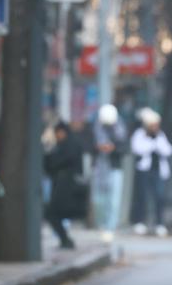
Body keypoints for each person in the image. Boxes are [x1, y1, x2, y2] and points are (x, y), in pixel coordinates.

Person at [131, 108, 172, 237]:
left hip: (158, 172)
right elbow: (137, 149)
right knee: (142, 197)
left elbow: (168, 150)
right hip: (144, 171)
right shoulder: (139, 134)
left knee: (159, 197)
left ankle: (159, 224)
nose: (154, 128)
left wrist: (156, 143)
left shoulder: (160, 136)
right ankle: (140, 222)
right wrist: (151, 144)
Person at [44, 121, 86, 249]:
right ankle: (65, 240)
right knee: (53, 214)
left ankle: (65, 240)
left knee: (52, 214)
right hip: (61, 186)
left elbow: (56, 162)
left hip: (68, 188)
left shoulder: (70, 145)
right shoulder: (61, 145)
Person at [92, 104, 127, 241]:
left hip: (114, 168)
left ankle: (110, 227)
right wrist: (98, 147)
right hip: (99, 168)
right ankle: (101, 224)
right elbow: (88, 145)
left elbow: (125, 147)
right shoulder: (95, 129)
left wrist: (113, 148)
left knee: (113, 200)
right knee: (98, 200)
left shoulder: (120, 129)